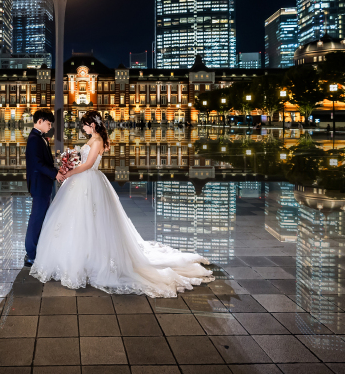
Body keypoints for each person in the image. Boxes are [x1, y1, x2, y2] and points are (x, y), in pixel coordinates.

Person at [30, 110, 213, 298]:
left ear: (92, 124)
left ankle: (89, 258)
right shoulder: (94, 137)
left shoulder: (98, 140)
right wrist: (69, 162)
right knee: (77, 220)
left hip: (88, 180)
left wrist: (69, 172)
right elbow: (82, 160)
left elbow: (87, 164)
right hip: (82, 181)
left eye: (84, 125)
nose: (83, 128)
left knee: (89, 220)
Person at [23, 109, 67, 268]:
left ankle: (35, 252)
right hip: (39, 185)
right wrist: (55, 174)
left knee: (40, 218)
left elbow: (44, 162)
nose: (50, 127)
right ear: (40, 121)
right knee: (36, 219)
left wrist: (57, 168)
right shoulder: (34, 139)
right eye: (48, 124)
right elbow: (37, 164)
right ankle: (31, 255)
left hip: (43, 184)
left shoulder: (39, 138)